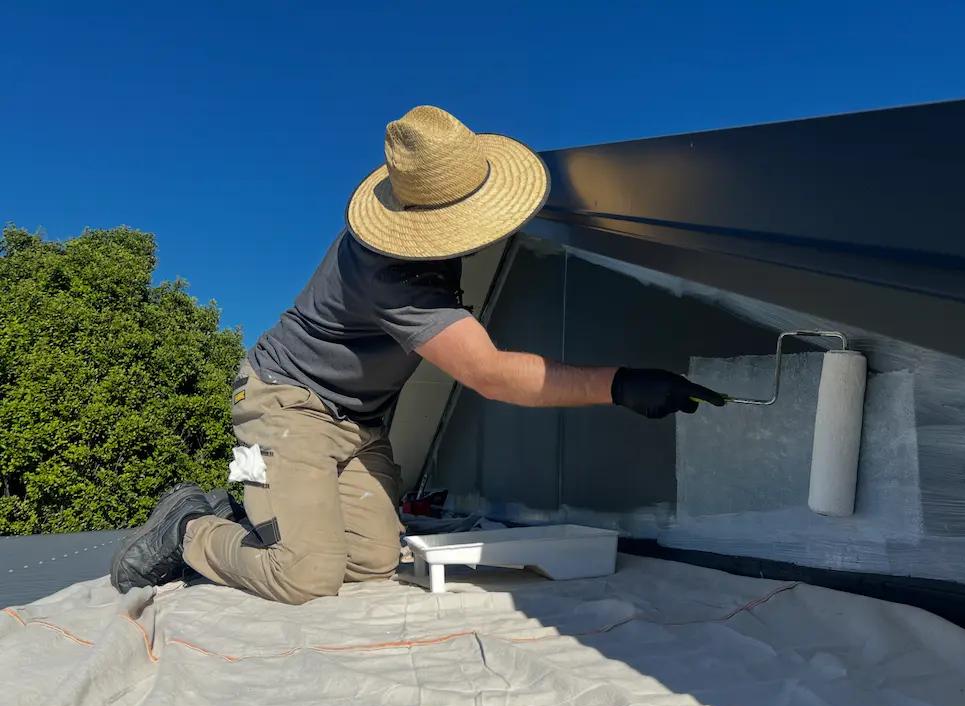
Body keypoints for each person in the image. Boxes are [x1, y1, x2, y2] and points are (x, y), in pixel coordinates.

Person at [110, 105, 725, 604]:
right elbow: (491, 374)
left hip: (360, 419)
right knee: (307, 579)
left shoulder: (423, 228)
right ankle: (190, 526)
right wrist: (621, 384)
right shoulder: (393, 273)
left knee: (376, 564)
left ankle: (266, 512)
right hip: (288, 404)